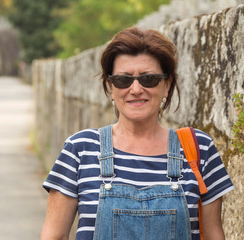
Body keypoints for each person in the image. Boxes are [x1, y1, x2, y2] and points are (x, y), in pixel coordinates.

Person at [40, 27, 234, 240]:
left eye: (148, 79)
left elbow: (215, 235)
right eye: (123, 80)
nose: (135, 89)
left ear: (166, 85)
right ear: (110, 86)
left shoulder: (199, 149)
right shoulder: (80, 149)